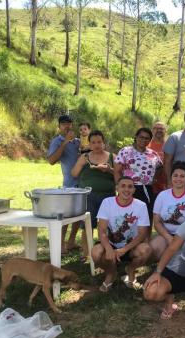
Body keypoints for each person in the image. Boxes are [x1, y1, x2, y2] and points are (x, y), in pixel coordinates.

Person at [91, 176, 152, 291]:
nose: (126, 189)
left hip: (131, 246)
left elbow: (142, 234)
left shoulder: (141, 205)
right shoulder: (107, 202)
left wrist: (124, 249)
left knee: (146, 249)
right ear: (117, 188)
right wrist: (108, 248)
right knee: (96, 252)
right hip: (111, 243)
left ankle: (130, 269)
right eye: (123, 186)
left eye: (130, 187)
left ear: (134, 190)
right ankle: (111, 273)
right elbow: (102, 231)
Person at [71, 130, 116, 259]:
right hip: (88, 195)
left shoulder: (113, 157)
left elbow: (120, 175)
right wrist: (82, 164)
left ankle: (108, 252)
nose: (97, 145)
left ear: (104, 143)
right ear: (89, 144)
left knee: (107, 225)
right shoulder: (85, 157)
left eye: (99, 142)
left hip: (108, 196)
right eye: (93, 142)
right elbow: (74, 173)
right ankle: (86, 254)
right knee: (87, 225)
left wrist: (109, 170)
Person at [150, 161, 185, 262]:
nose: (178, 179)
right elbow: (157, 222)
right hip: (166, 234)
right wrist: (168, 237)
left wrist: (179, 240)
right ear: (171, 177)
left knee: (182, 259)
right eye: (175, 175)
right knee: (154, 249)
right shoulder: (162, 195)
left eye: (182, 176)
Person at [114, 127, 163, 228]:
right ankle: (126, 238)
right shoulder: (126, 151)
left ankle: (145, 241)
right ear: (136, 137)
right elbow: (117, 170)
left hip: (147, 189)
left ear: (150, 140)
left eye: (147, 138)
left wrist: (155, 179)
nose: (144, 140)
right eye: (141, 137)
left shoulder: (153, 154)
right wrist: (119, 186)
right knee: (128, 216)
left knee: (146, 217)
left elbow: (160, 167)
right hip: (128, 189)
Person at [47, 114, 81, 252]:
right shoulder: (57, 141)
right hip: (68, 183)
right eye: (63, 124)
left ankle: (71, 242)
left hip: (83, 182)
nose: (67, 126)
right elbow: (51, 161)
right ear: (59, 126)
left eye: (69, 123)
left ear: (72, 125)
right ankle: (60, 244)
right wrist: (65, 142)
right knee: (66, 215)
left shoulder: (79, 141)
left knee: (79, 215)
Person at [148, 121, 167, 195]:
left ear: (165, 131)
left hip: (164, 184)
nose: (159, 130)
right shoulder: (146, 144)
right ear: (152, 130)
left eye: (162, 128)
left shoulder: (170, 145)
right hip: (148, 183)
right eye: (156, 128)